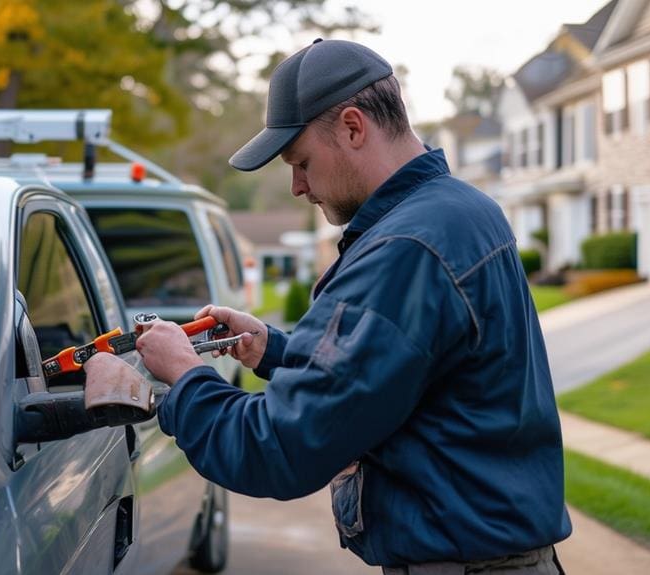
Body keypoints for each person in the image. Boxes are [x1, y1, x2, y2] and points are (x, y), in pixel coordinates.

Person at [83, 38, 571, 573]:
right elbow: (399, 368)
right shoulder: (460, 210)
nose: (297, 186)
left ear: (354, 127)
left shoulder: (403, 250)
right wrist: (275, 351)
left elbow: (279, 449)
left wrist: (184, 375)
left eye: (302, 162)